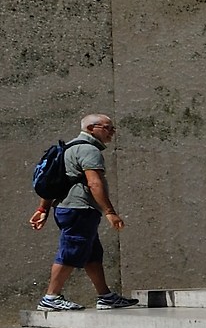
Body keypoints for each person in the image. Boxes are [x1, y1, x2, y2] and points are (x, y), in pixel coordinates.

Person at [28, 113, 138, 311]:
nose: (112, 132)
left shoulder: (68, 148)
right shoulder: (89, 150)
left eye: (113, 128)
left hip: (70, 208)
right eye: (107, 128)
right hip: (79, 209)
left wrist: (43, 208)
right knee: (70, 251)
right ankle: (51, 297)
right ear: (90, 129)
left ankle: (105, 296)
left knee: (92, 254)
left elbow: (54, 181)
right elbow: (94, 183)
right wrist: (110, 212)